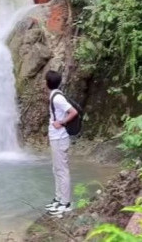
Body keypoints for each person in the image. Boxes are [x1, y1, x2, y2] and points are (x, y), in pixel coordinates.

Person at [44, 70, 78, 216]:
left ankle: (66, 203)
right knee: (56, 169)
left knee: (62, 170)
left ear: (47, 83)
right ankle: (58, 198)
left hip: (60, 138)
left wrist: (62, 122)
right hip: (55, 138)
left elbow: (73, 112)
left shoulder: (57, 98)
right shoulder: (55, 95)